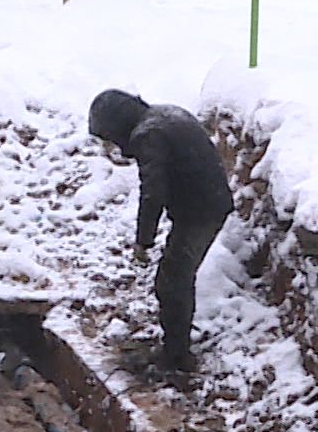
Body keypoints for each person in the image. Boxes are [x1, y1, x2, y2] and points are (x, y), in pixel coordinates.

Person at [88, 89, 233, 375]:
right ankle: (176, 348)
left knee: (172, 281)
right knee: (174, 276)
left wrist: (143, 241)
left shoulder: (148, 136)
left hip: (201, 212)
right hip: (207, 203)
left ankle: (177, 358)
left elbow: (152, 192)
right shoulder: (165, 114)